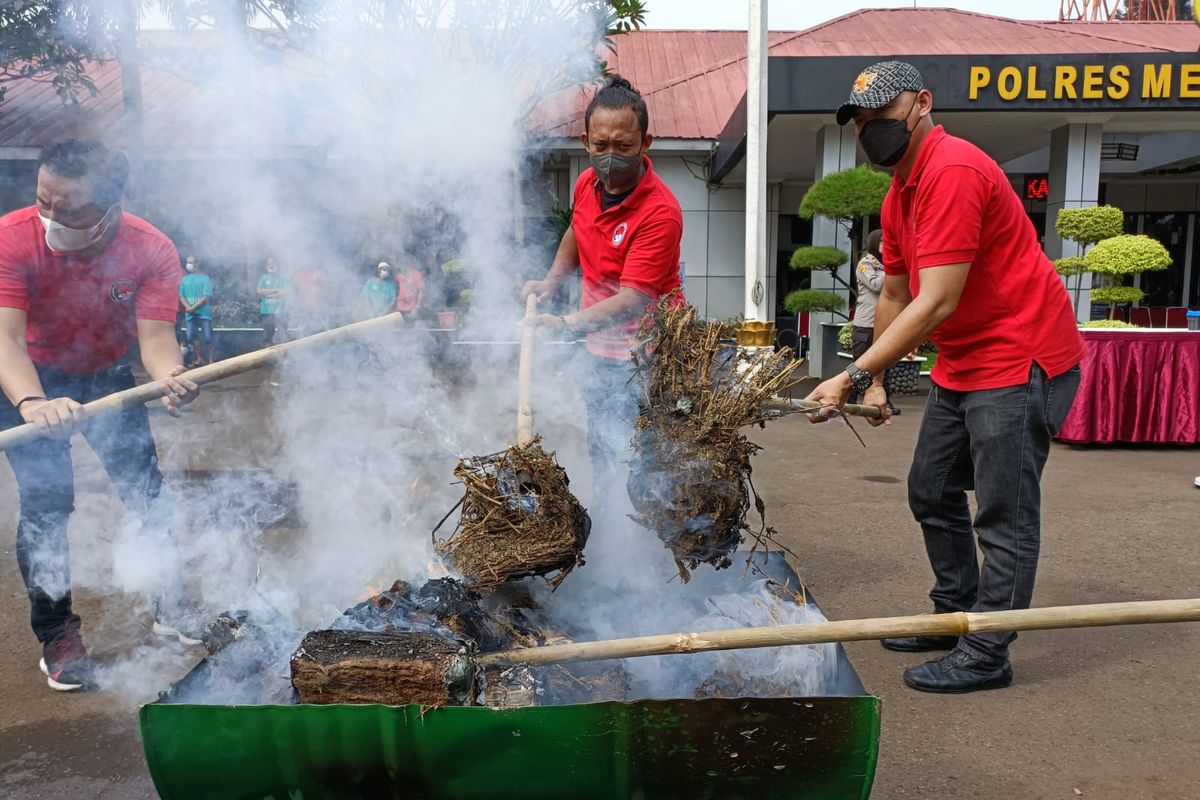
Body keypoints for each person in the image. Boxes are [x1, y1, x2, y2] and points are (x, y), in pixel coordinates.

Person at [806, 61, 1084, 693]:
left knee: (1003, 512)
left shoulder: (953, 171)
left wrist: (850, 376)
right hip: (963, 362)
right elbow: (896, 293)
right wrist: (876, 380)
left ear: (923, 103)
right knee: (930, 489)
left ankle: (987, 651)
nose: (873, 128)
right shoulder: (898, 193)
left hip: (1019, 357)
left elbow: (937, 302)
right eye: (862, 121)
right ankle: (955, 612)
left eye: (884, 113)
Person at [0, 139, 201, 691]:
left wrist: (170, 379)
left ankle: (172, 604)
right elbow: (5, 340)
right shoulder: (11, 237)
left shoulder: (150, 249)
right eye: (44, 200)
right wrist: (35, 403)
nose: (50, 216)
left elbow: (156, 339)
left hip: (105, 374)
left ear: (110, 206)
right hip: (25, 378)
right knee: (47, 501)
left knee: (146, 493)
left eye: (66, 208)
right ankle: (57, 634)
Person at [522, 75, 683, 500]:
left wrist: (566, 322)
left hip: (648, 358)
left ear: (646, 142)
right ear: (586, 140)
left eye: (624, 146)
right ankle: (613, 533)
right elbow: (578, 231)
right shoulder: (586, 186)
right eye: (601, 145)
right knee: (602, 449)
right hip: (600, 350)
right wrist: (552, 281)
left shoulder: (660, 213)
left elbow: (635, 298)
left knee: (645, 463)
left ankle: (648, 546)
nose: (611, 155)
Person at [179, 255, 215, 366]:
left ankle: (211, 360)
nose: (189, 265)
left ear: (197, 264)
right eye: (187, 262)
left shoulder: (205, 279)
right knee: (191, 337)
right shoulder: (184, 279)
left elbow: (206, 297)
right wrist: (187, 307)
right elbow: (182, 296)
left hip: (204, 312)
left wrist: (193, 307)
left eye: (191, 262)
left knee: (208, 337)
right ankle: (199, 359)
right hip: (190, 314)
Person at [257, 257, 287, 346]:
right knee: (267, 337)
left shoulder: (283, 278)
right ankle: (267, 358)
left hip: (281, 311)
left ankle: (283, 359)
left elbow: (286, 292)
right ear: (266, 265)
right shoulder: (263, 278)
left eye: (273, 263)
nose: (271, 265)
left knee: (283, 336)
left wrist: (268, 292)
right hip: (266, 312)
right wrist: (276, 291)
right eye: (269, 263)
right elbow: (259, 291)